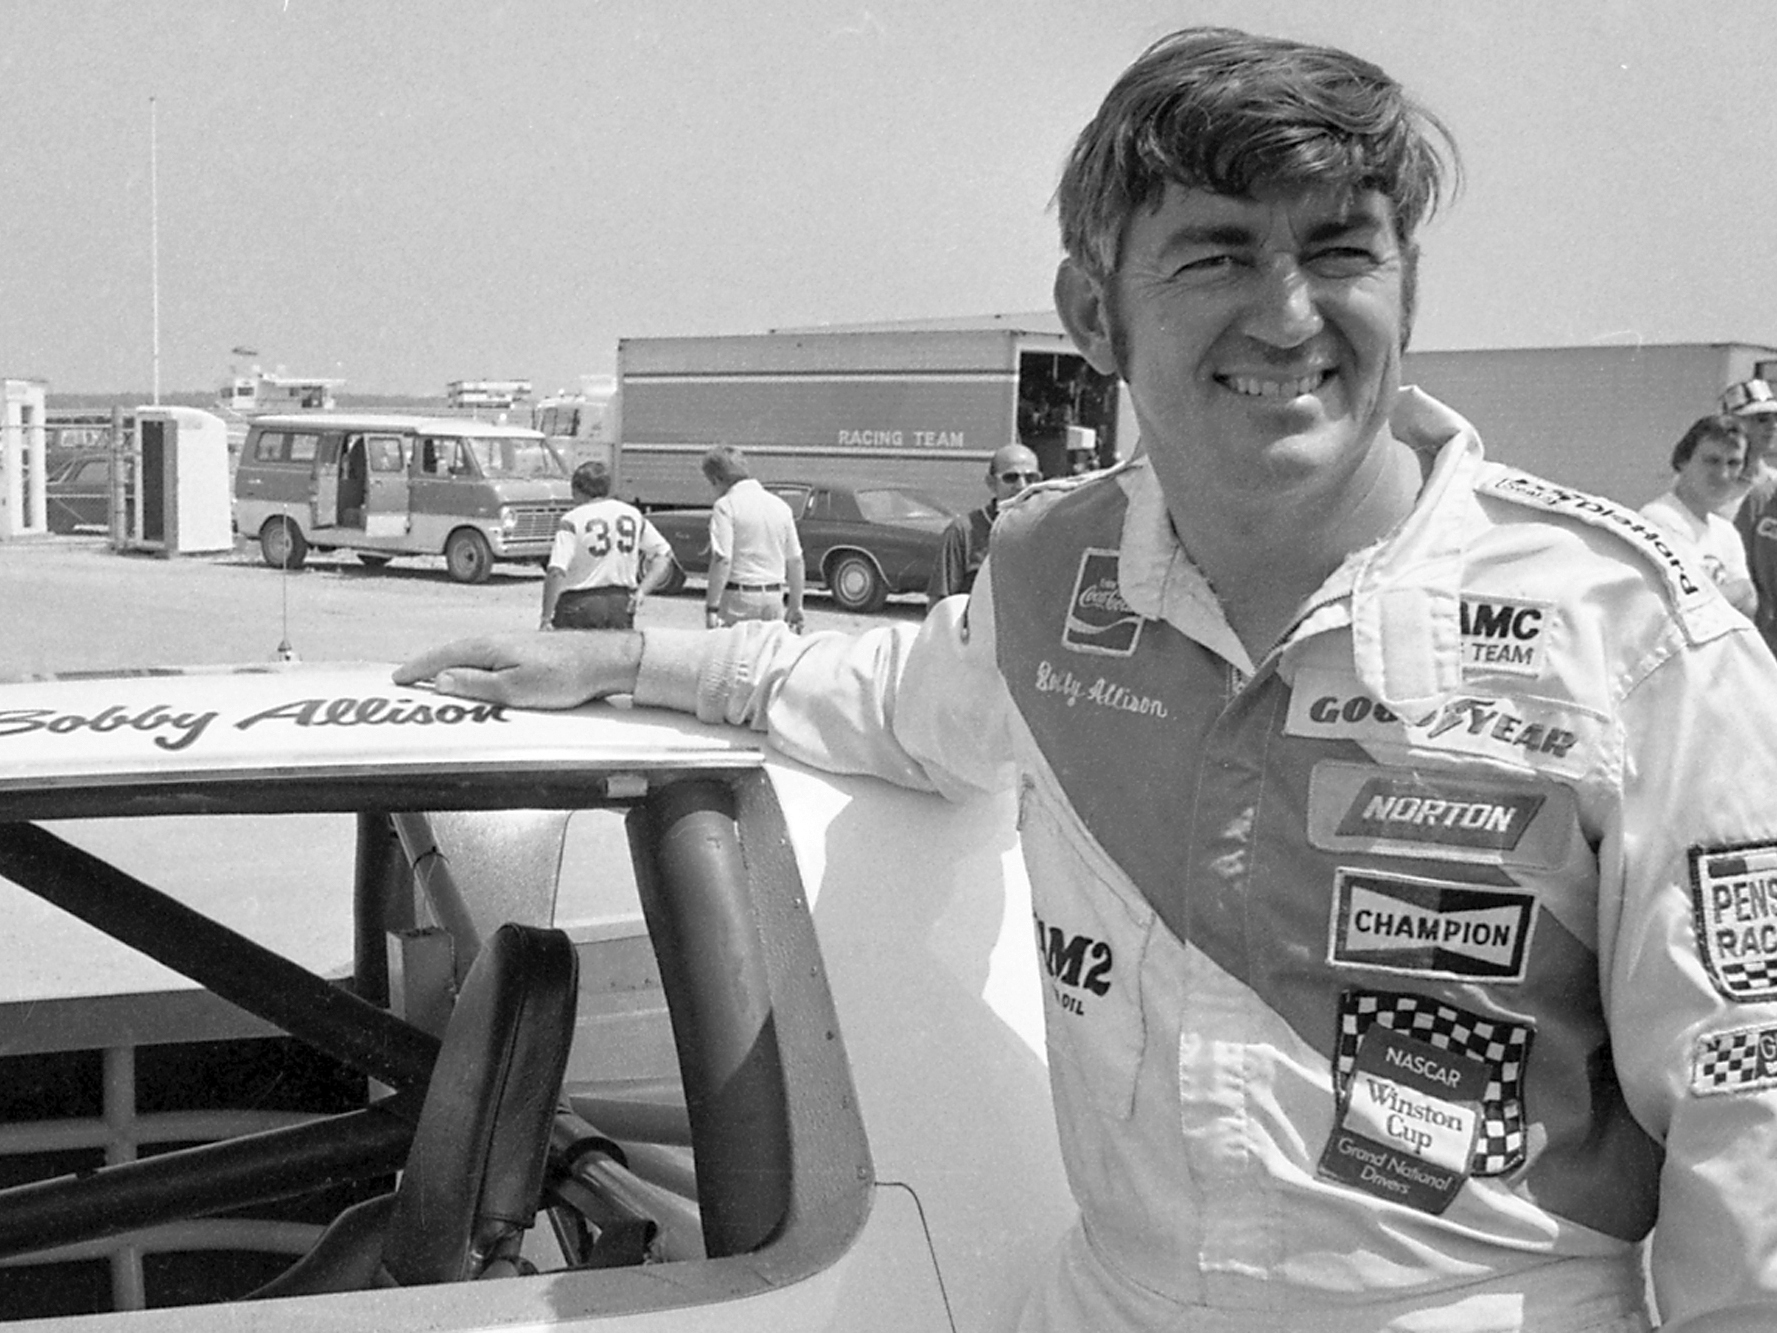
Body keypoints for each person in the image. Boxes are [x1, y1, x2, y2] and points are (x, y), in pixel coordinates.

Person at [398, 27, 1777, 1332]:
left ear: (1405, 290)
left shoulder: (1633, 632)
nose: (1288, 314)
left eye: (1340, 250)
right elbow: (886, 702)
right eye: (1218, 255)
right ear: (1092, 311)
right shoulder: (1052, 567)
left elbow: (1754, 1098)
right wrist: (628, 651)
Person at [1638, 414, 1756, 615]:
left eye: (1733, 463)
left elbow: (1750, 603)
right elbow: (1687, 606)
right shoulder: (1659, 520)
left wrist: (1731, 594)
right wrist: (1738, 591)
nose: (1723, 474)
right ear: (1683, 460)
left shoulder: (1725, 532)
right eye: (1712, 461)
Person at [539, 461, 673, 631]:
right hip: (621, 602)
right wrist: (642, 591)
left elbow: (556, 571)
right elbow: (664, 554)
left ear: (576, 490)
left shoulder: (572, 519)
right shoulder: (632, 515)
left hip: (580, 602)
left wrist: (546, 617)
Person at [699, 445, 804, 631]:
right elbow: (795, 560)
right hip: (774, 596)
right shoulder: (780, 506)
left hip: (738, 596)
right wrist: (796, 606)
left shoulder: (725, 506)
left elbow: (723, 559)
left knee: (733, 656)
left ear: (716, 480)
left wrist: (712, 607)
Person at [926, 442, 1043, 608]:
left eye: (1031, 478)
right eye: (1011, 478)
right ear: (991, 483)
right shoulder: (963, 531)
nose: (1022, 486)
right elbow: (939, 607)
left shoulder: (1048, 529)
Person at [1725, 379, 1777, 656]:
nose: (1772, 426)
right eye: (1761, 418)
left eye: (1774, 417)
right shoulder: (1713, 486)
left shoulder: (1772, 489)